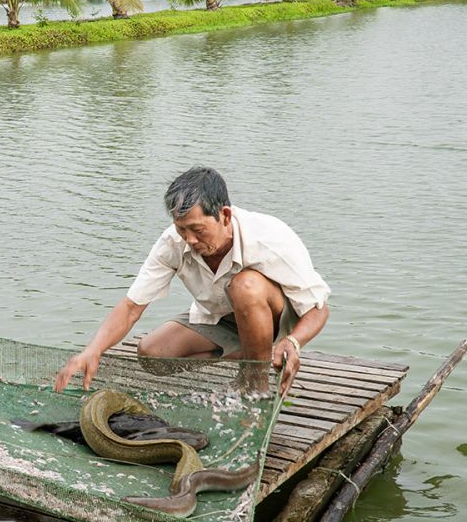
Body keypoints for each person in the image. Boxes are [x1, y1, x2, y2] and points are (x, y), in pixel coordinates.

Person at [55, 166, 329, 397]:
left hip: (273, 320)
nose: (190, 240)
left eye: (198, 230)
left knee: (245, 286)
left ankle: (254, 389)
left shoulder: (269, 238)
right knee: (152, 354)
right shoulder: (172, 243)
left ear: (225, 215)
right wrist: (92, 350)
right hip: (219, 317)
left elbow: (318, 308)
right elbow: (131, 307)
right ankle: (250, 356)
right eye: (181, 229)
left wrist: (293, 342)